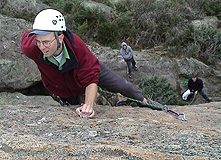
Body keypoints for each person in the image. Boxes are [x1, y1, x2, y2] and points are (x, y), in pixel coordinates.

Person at [21, 9, 163, 118]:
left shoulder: (76, 46)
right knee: (73, 103)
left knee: (121, 85)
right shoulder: (31, 48)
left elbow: (90, 78)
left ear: (61, 37)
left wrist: (89, 105)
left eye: (46, 42)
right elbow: (26, 37)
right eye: (38, 41)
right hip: (62, 87)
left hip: (90, 70)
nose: (42, 47)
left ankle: (144, 101)